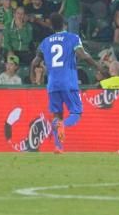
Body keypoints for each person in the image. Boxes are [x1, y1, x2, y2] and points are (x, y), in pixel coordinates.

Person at [31, 12, 99, 153]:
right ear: (64, 24)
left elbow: (34, 62)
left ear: (51, 25)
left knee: (57, 115)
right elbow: (82, 55)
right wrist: (98, 67)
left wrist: (33, 77)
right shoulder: (73, 38)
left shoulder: (45, 42)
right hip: (68, 82)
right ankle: (63, 125)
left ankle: (58, 147)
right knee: (76, 113)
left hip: (52, 84)